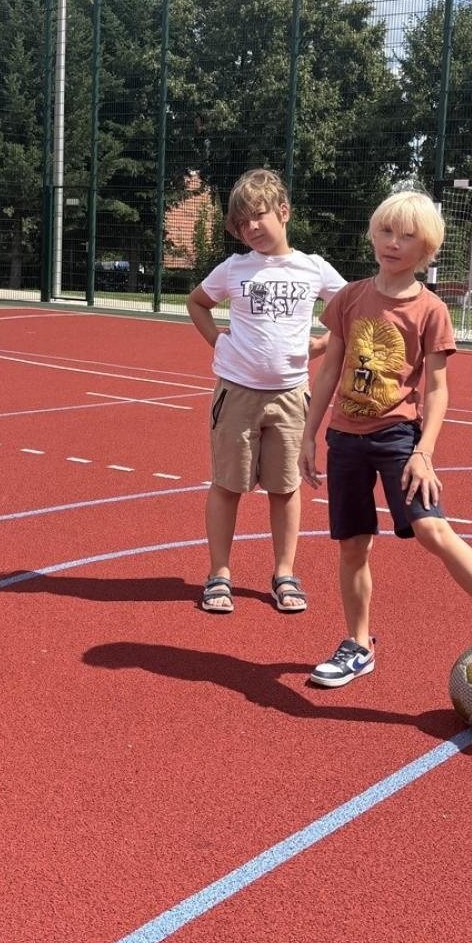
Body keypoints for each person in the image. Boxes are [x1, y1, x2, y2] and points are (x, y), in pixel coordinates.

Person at [297, 191, 472, 689]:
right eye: (386, 231)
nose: (393, 243)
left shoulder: (430, 310)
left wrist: (423, 453)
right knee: (352, 547)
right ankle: (358, 645)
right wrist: (309, 434)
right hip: (346, 438)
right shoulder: (349, 298)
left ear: (426, 248)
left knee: (433, 531)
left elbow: (436, 388)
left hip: (398, 438)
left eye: (408, 236)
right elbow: (328, 372)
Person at [186, 168, 346, 615]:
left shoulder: (313, 268)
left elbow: (351, 309)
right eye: (241, 224)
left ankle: (284, 572)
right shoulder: (235, 268)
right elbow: (197, 302)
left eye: (257, 216)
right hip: (236, 394)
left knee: (286, 487)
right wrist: (218, 340)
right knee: (226, 484)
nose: (250, 228)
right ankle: (219, 573)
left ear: (283, 211)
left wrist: (324, 344)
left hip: (292, 397)